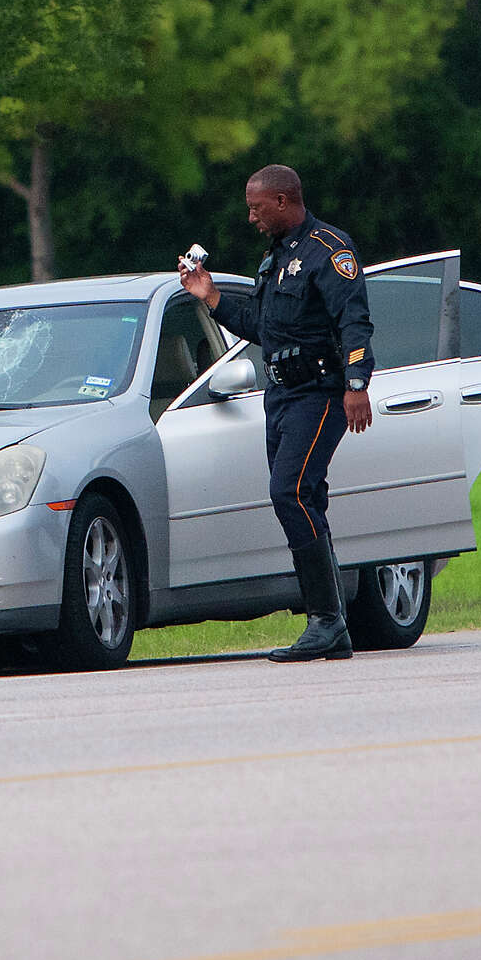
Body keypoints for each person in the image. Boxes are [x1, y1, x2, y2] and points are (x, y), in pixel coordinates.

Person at [179, 164, 374, 661]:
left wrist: (357, 384)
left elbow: (354, 321)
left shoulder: (329, 250)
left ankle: (325, 620)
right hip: (281, 396)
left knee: (289, 492)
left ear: (283, 201)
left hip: (320, 391)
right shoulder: (276, 257)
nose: (251, 218)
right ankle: (334, 627)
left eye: (257, 208)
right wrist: (210, 296)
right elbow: (261, 328)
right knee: (306, 499)